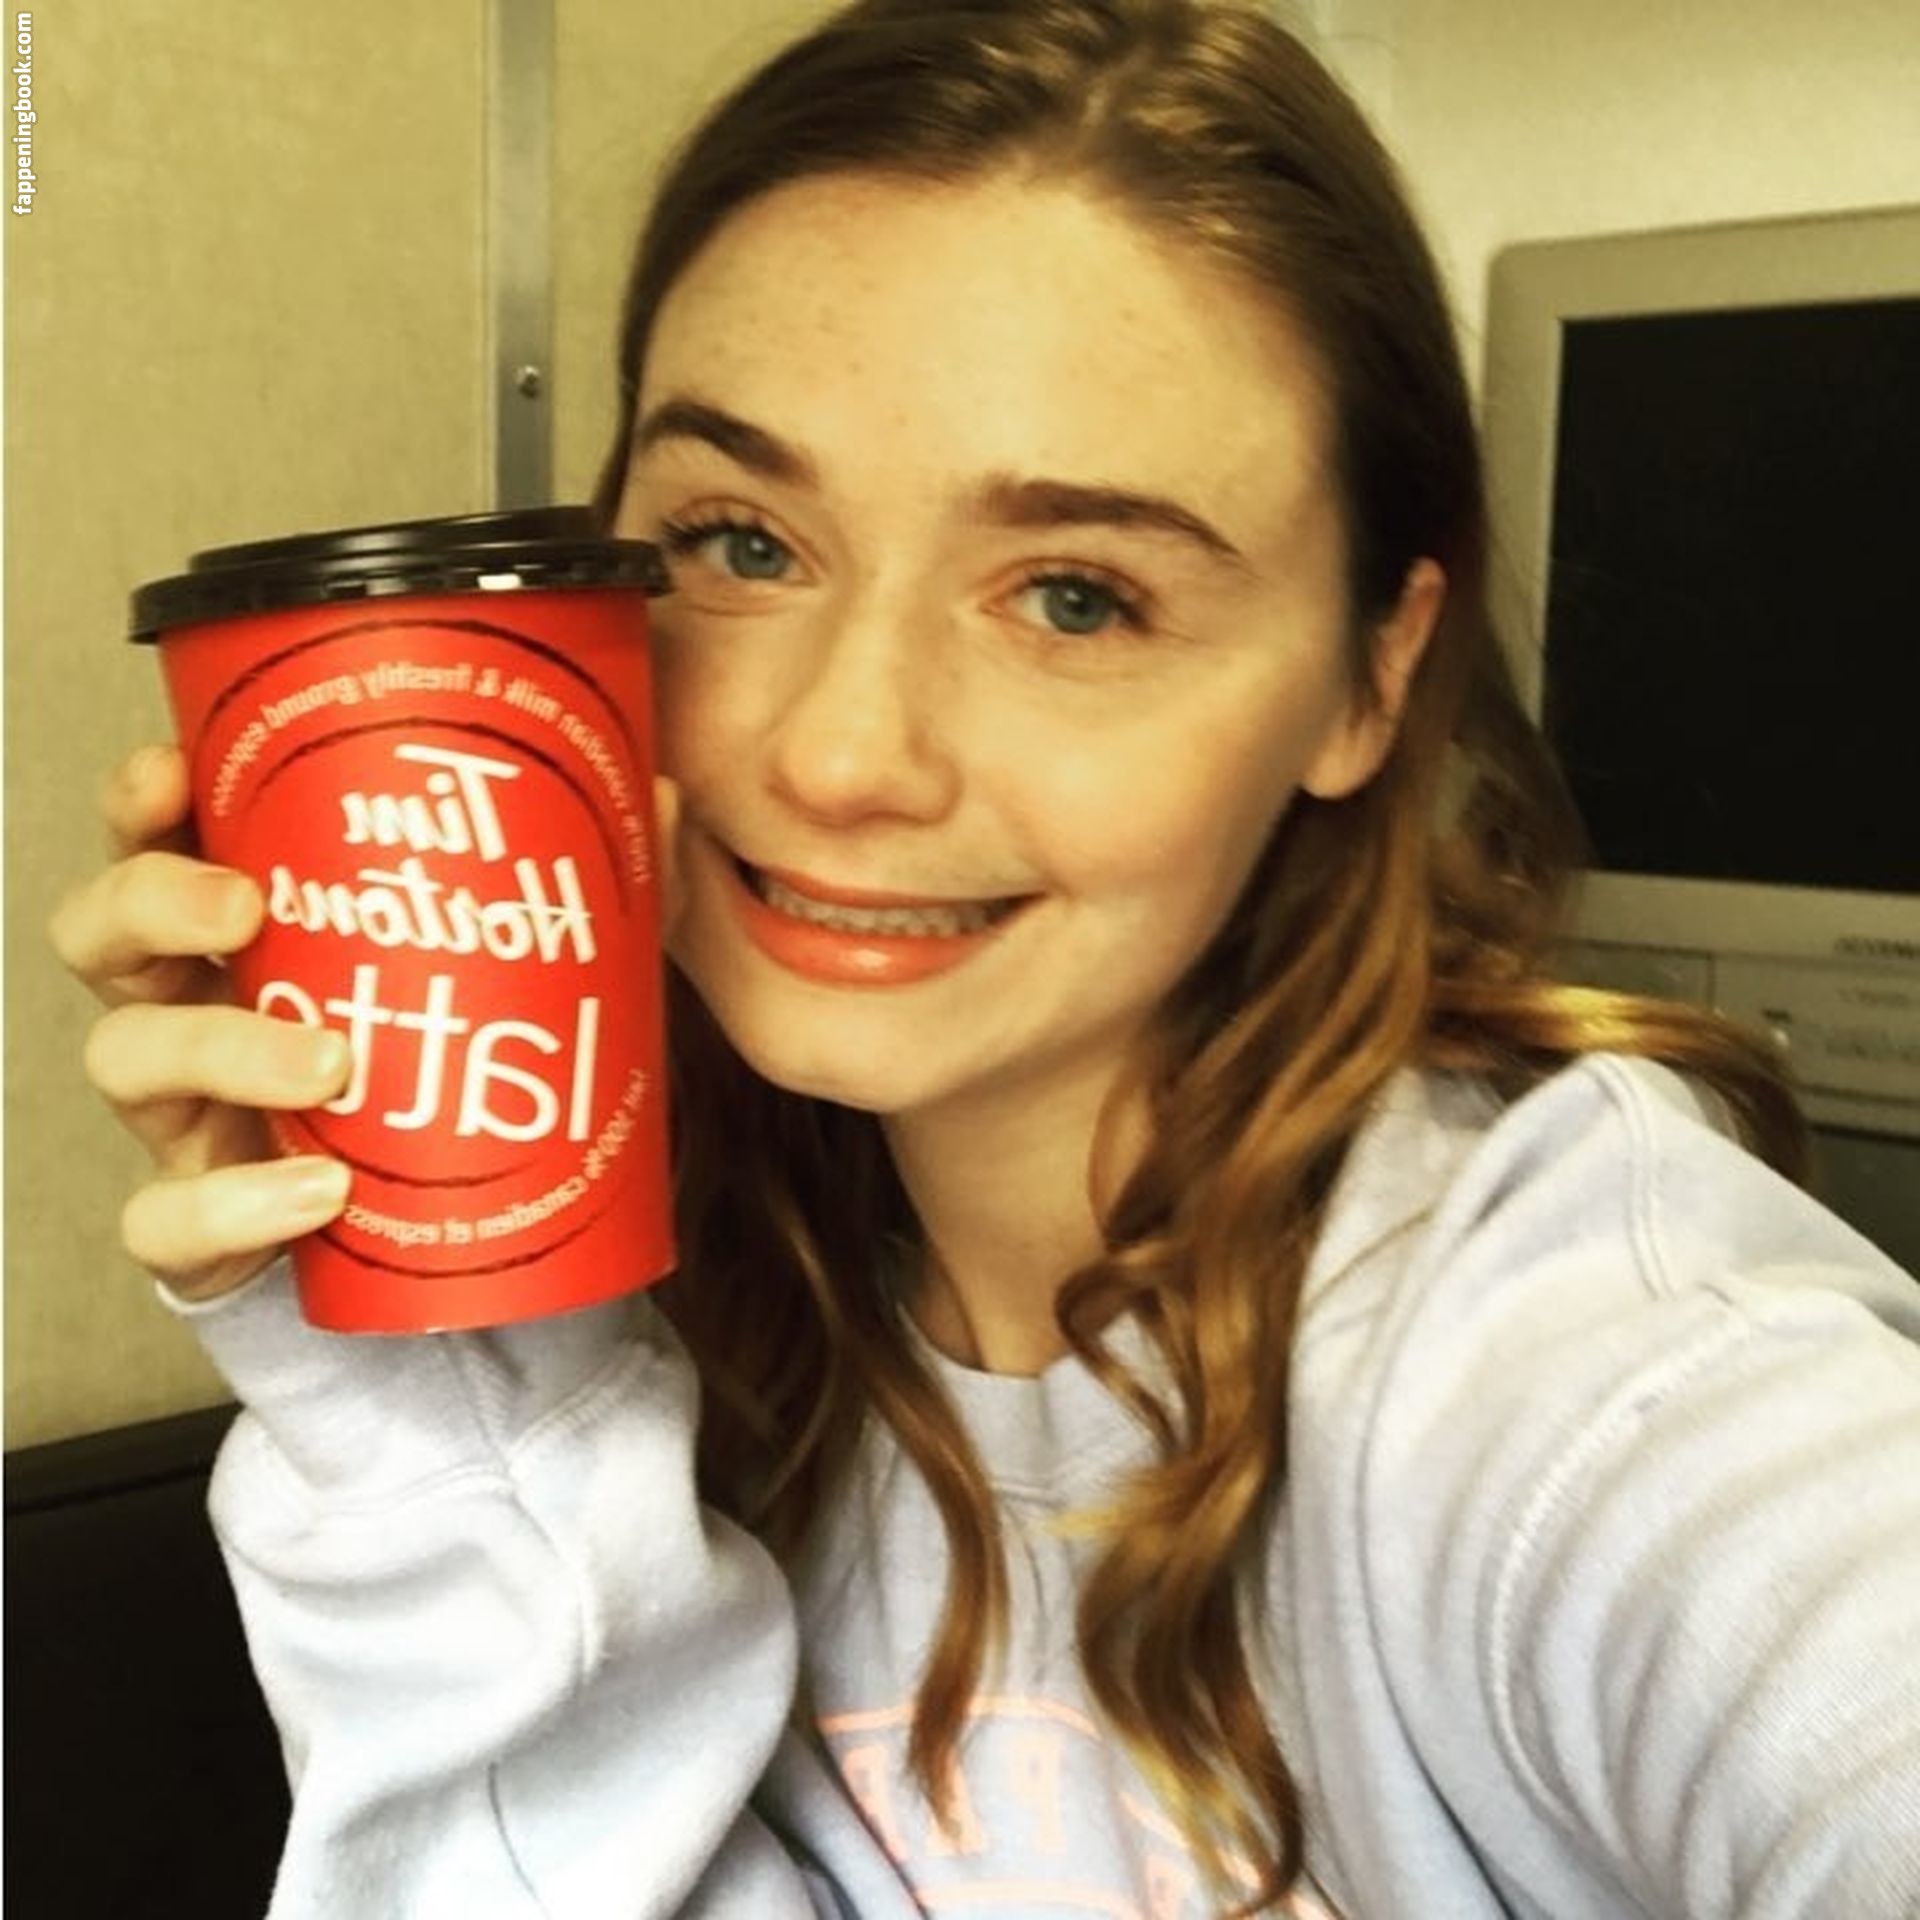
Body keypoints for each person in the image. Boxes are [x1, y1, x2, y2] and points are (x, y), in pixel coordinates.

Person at [50, 1, 1920, 1914]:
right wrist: (441, 1397)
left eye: (1078, 597)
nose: (841, 755)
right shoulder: (745, 1292)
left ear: (1374, 672)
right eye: (743, 544)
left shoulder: (1584, 1388)